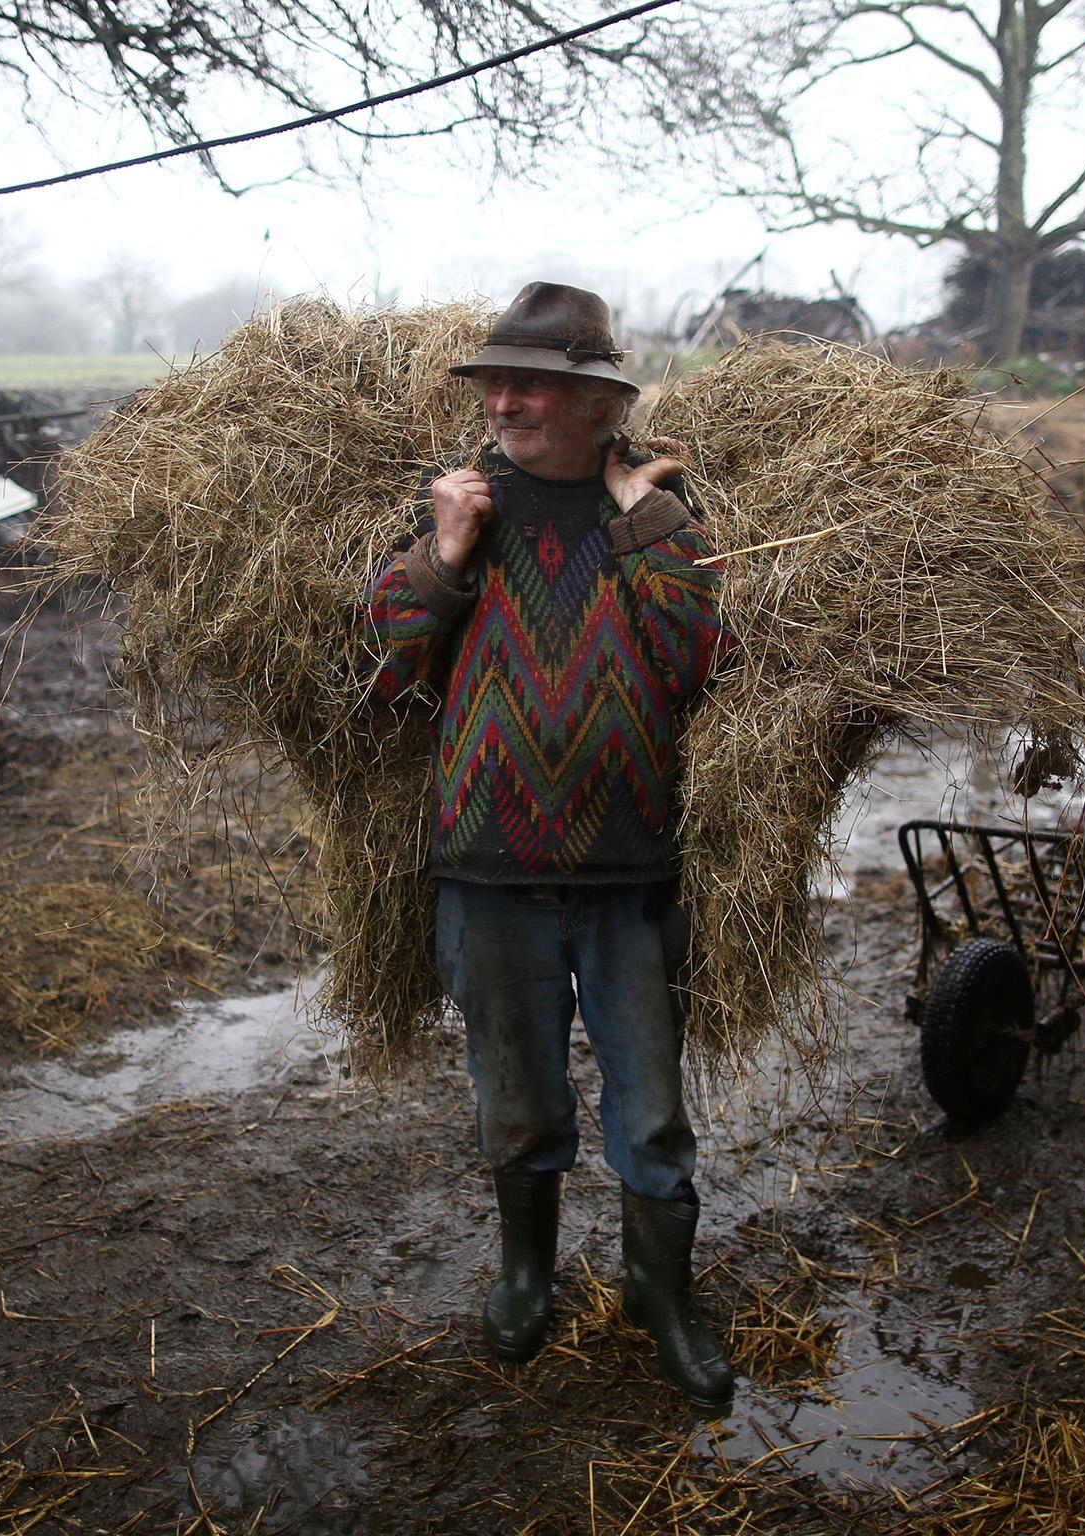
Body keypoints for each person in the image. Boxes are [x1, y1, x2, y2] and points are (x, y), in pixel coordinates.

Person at [366, 281, 735, 1407]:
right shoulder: (460, 506)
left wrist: (647, 525)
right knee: (515, 1100)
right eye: (494, 382)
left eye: (532, 384)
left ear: (595, 401)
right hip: (489, 869)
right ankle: (525, 1273)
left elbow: (697, 667)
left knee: (652, 1109)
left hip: (632, 869)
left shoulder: (660, 517)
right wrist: (445, 547)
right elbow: (381, 671)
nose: (505, 401)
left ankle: (657, 1293)